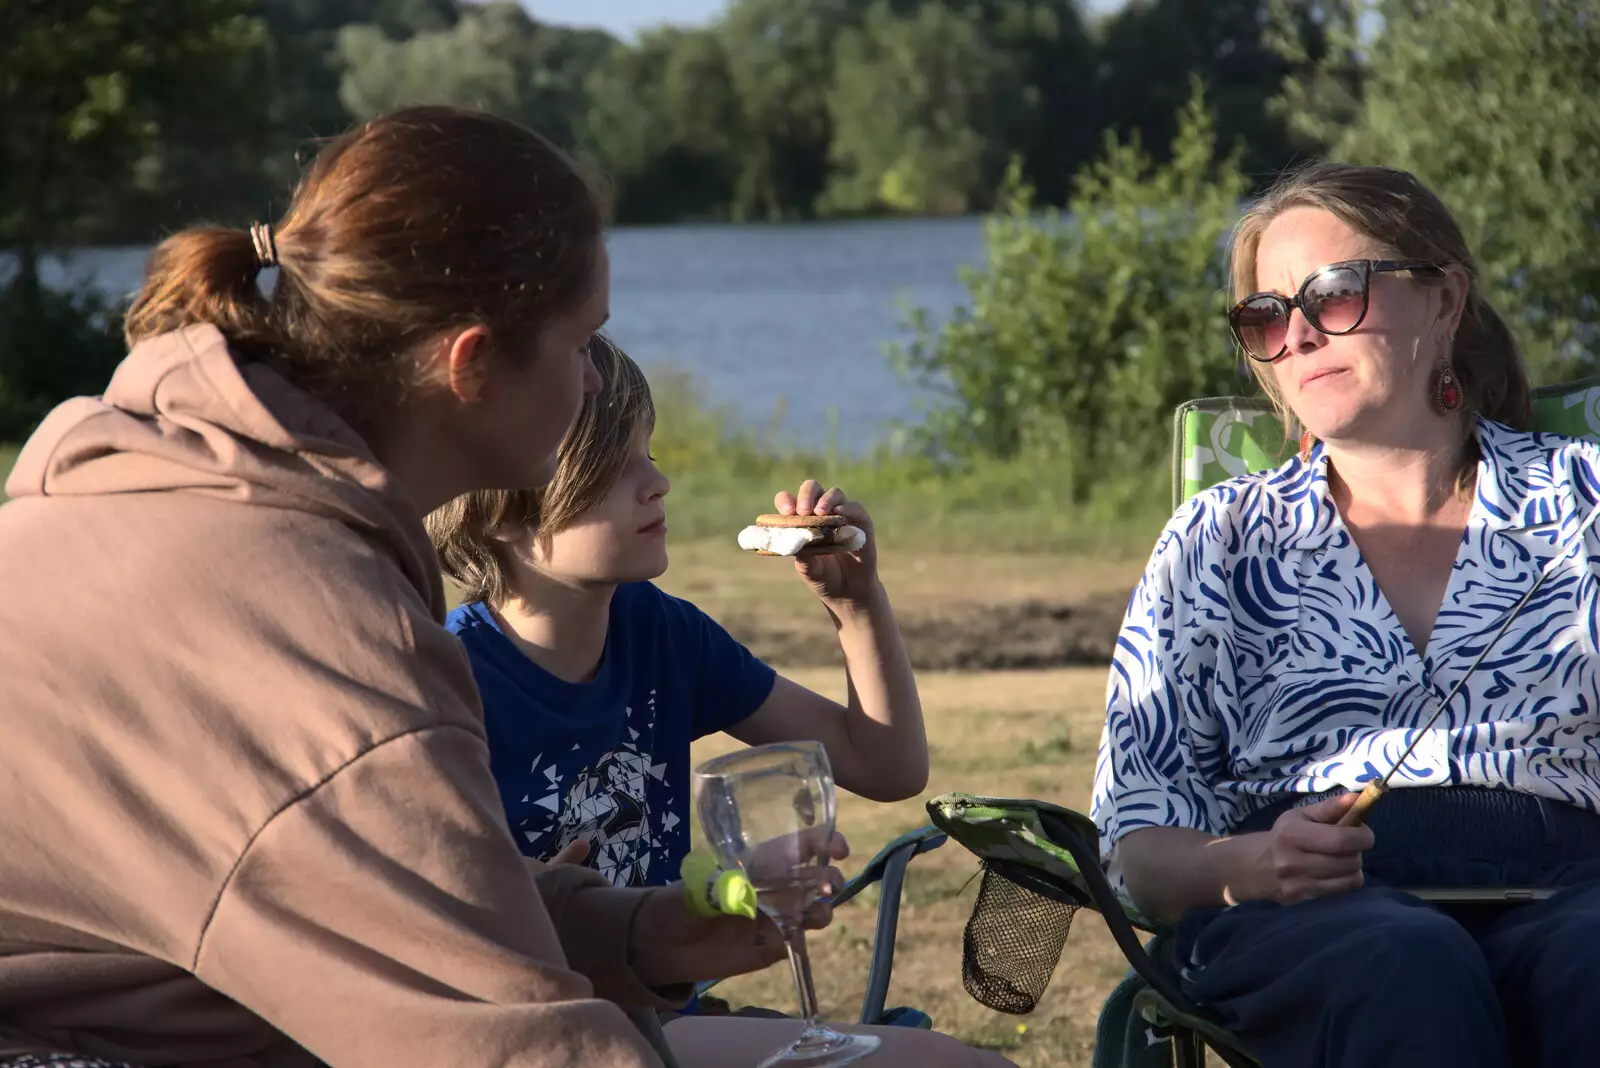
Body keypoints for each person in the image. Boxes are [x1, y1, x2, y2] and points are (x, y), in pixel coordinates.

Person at [0, 105, 1009, 1068]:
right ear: (473, 365)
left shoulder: (145, 488)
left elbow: (367, 886)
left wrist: (636, 933)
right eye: (579, 343)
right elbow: (498, 1042)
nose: (591, 385)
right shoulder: (327, 638)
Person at [1092, 159, 1600, 1068]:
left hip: (1570, 885)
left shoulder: (1582, 503)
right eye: (1265, 316)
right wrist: (1248, 867)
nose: (1297, 337)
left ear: (1444, 301)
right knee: (1408, 962)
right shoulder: (1220, 540)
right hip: (1310, 911)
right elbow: (1135, 847)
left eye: (1333, 296)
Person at [427, 337, 928, 891]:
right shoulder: (448, 688)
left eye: (652, 457)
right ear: (496, 505)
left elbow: (887, 768)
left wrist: (856, 605)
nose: (659, 485)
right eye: (615, 467)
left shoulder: (660, 635)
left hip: (667, 979)